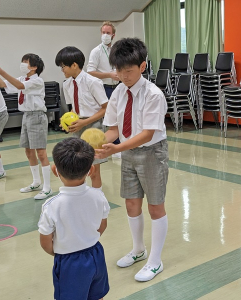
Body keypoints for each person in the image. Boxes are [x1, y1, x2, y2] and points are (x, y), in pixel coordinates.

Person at [95, 38, 169, 282]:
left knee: (155, 206)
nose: (124, 76)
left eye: (129, 71)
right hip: (127, 152)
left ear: (142, 66)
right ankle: (138, 250)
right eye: (119, 71)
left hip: (151, 153)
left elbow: (147, 134)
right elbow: (114, 129)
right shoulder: (118, 91)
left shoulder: (153, 95)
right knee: (131, 204)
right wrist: (96, 146)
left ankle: (155, 261)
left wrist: (114, 150)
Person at [38, 137, 110, 300]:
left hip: (69, 262)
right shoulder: (99, 196)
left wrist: (61, 252)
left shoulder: (51, 206)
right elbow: (102, 226)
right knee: (97, 295)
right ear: (90, 170)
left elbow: (45, 242)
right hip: (96, 254)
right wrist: (87, 239)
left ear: (55, 170)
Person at [0, 54, 52, 200]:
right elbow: (4, 85)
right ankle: (36, 182)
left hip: (37, 116)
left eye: (26, 62)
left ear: (34, 67)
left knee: (41, 153)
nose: (22, 64)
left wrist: (1, 71)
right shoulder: (23, 78)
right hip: (26, 116)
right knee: (29, 152)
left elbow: (19, 86)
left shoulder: (37, 81)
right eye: (22, 61)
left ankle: (47, 188)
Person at [55, 46, 108, 189]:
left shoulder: (93, 81)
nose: (62, 70)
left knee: (94, 169)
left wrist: (84, 122)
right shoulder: (67, 85)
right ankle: (83, 195)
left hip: (93, 125)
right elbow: (73, 108)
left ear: (74, 65)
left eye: (63, 66)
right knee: (79, 166)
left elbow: (105, 108)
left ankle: (98, 197)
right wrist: (68, 121)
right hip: (78, 124)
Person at [87, 21, 121, 157]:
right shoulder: (96, 51)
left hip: (118, 86)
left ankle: (119, 145)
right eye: (103, 33)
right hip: (104, 87)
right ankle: (109, 146)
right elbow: (90, 72)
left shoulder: (117, 50)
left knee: (120, 116)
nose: (105, 35)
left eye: (108, 33)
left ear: (113, 34)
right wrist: (109, 74)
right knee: (109, 117)